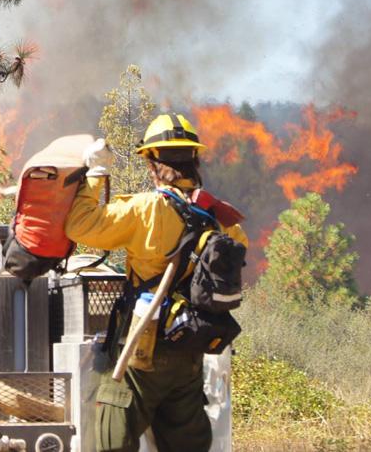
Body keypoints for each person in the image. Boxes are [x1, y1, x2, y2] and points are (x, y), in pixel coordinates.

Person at [65, 113, 248, 452]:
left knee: (109, 434)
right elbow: (239, 251)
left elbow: (80, 226)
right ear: (194, 159)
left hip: (142, 348)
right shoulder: (219, 217)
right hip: (189, 350)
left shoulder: (147, 209)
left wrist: (95, 174)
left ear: (152, 163)